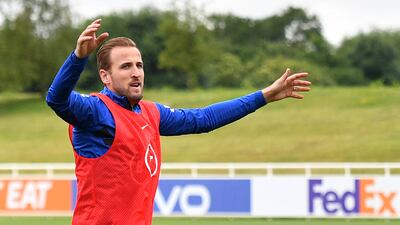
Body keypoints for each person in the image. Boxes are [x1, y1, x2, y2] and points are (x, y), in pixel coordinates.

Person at [46, 19, 311, 225]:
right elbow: (57, 99)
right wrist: (78, 58)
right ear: (105, 76)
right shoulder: (95, 111)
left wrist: (263, 96)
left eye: (139, 65)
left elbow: (204, 118)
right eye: (126, 66)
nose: (136, 72)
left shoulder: (151, 113)